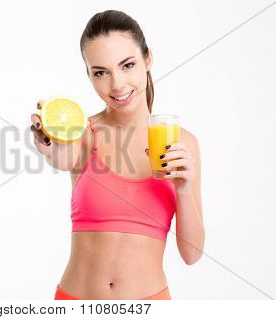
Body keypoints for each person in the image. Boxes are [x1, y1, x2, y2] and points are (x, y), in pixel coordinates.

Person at [30, 10, 204, 300]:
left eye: (127, 65)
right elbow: (62, 159)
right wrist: (51, 147)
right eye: (101, 72)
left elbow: (192, 254)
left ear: (148, 59)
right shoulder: (84, 132)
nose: (117, 85)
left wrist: (184, 189)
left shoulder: (182, 142)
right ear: (89, 75)